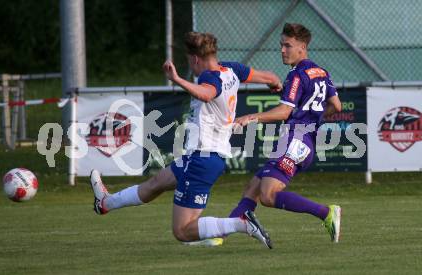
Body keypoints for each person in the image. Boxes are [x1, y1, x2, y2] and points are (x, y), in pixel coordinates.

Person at [90, 31, 283, 249]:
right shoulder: (231, 69)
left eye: (189, 61)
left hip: (202, 157)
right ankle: (106, 203)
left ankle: (241, 224)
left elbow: (206, 93)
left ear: (195, 58)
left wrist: (177, 79)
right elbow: (270, 77)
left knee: (182, 231)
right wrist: (276, 84)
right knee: (156, 184)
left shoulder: (208, 78)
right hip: (202, 157)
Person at [229, 23, 343, 243]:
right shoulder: (321, 72)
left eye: (287, 45)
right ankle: (220, 233)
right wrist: (312, 119)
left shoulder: (297, 74)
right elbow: (336, 106)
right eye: (281, 45)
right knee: (253, 186)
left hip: (294, 141)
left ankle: (326, 213)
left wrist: (250, 118)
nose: (282, 50)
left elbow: (283, 112)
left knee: (268, 195)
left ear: (302, 47)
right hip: (304, 141)